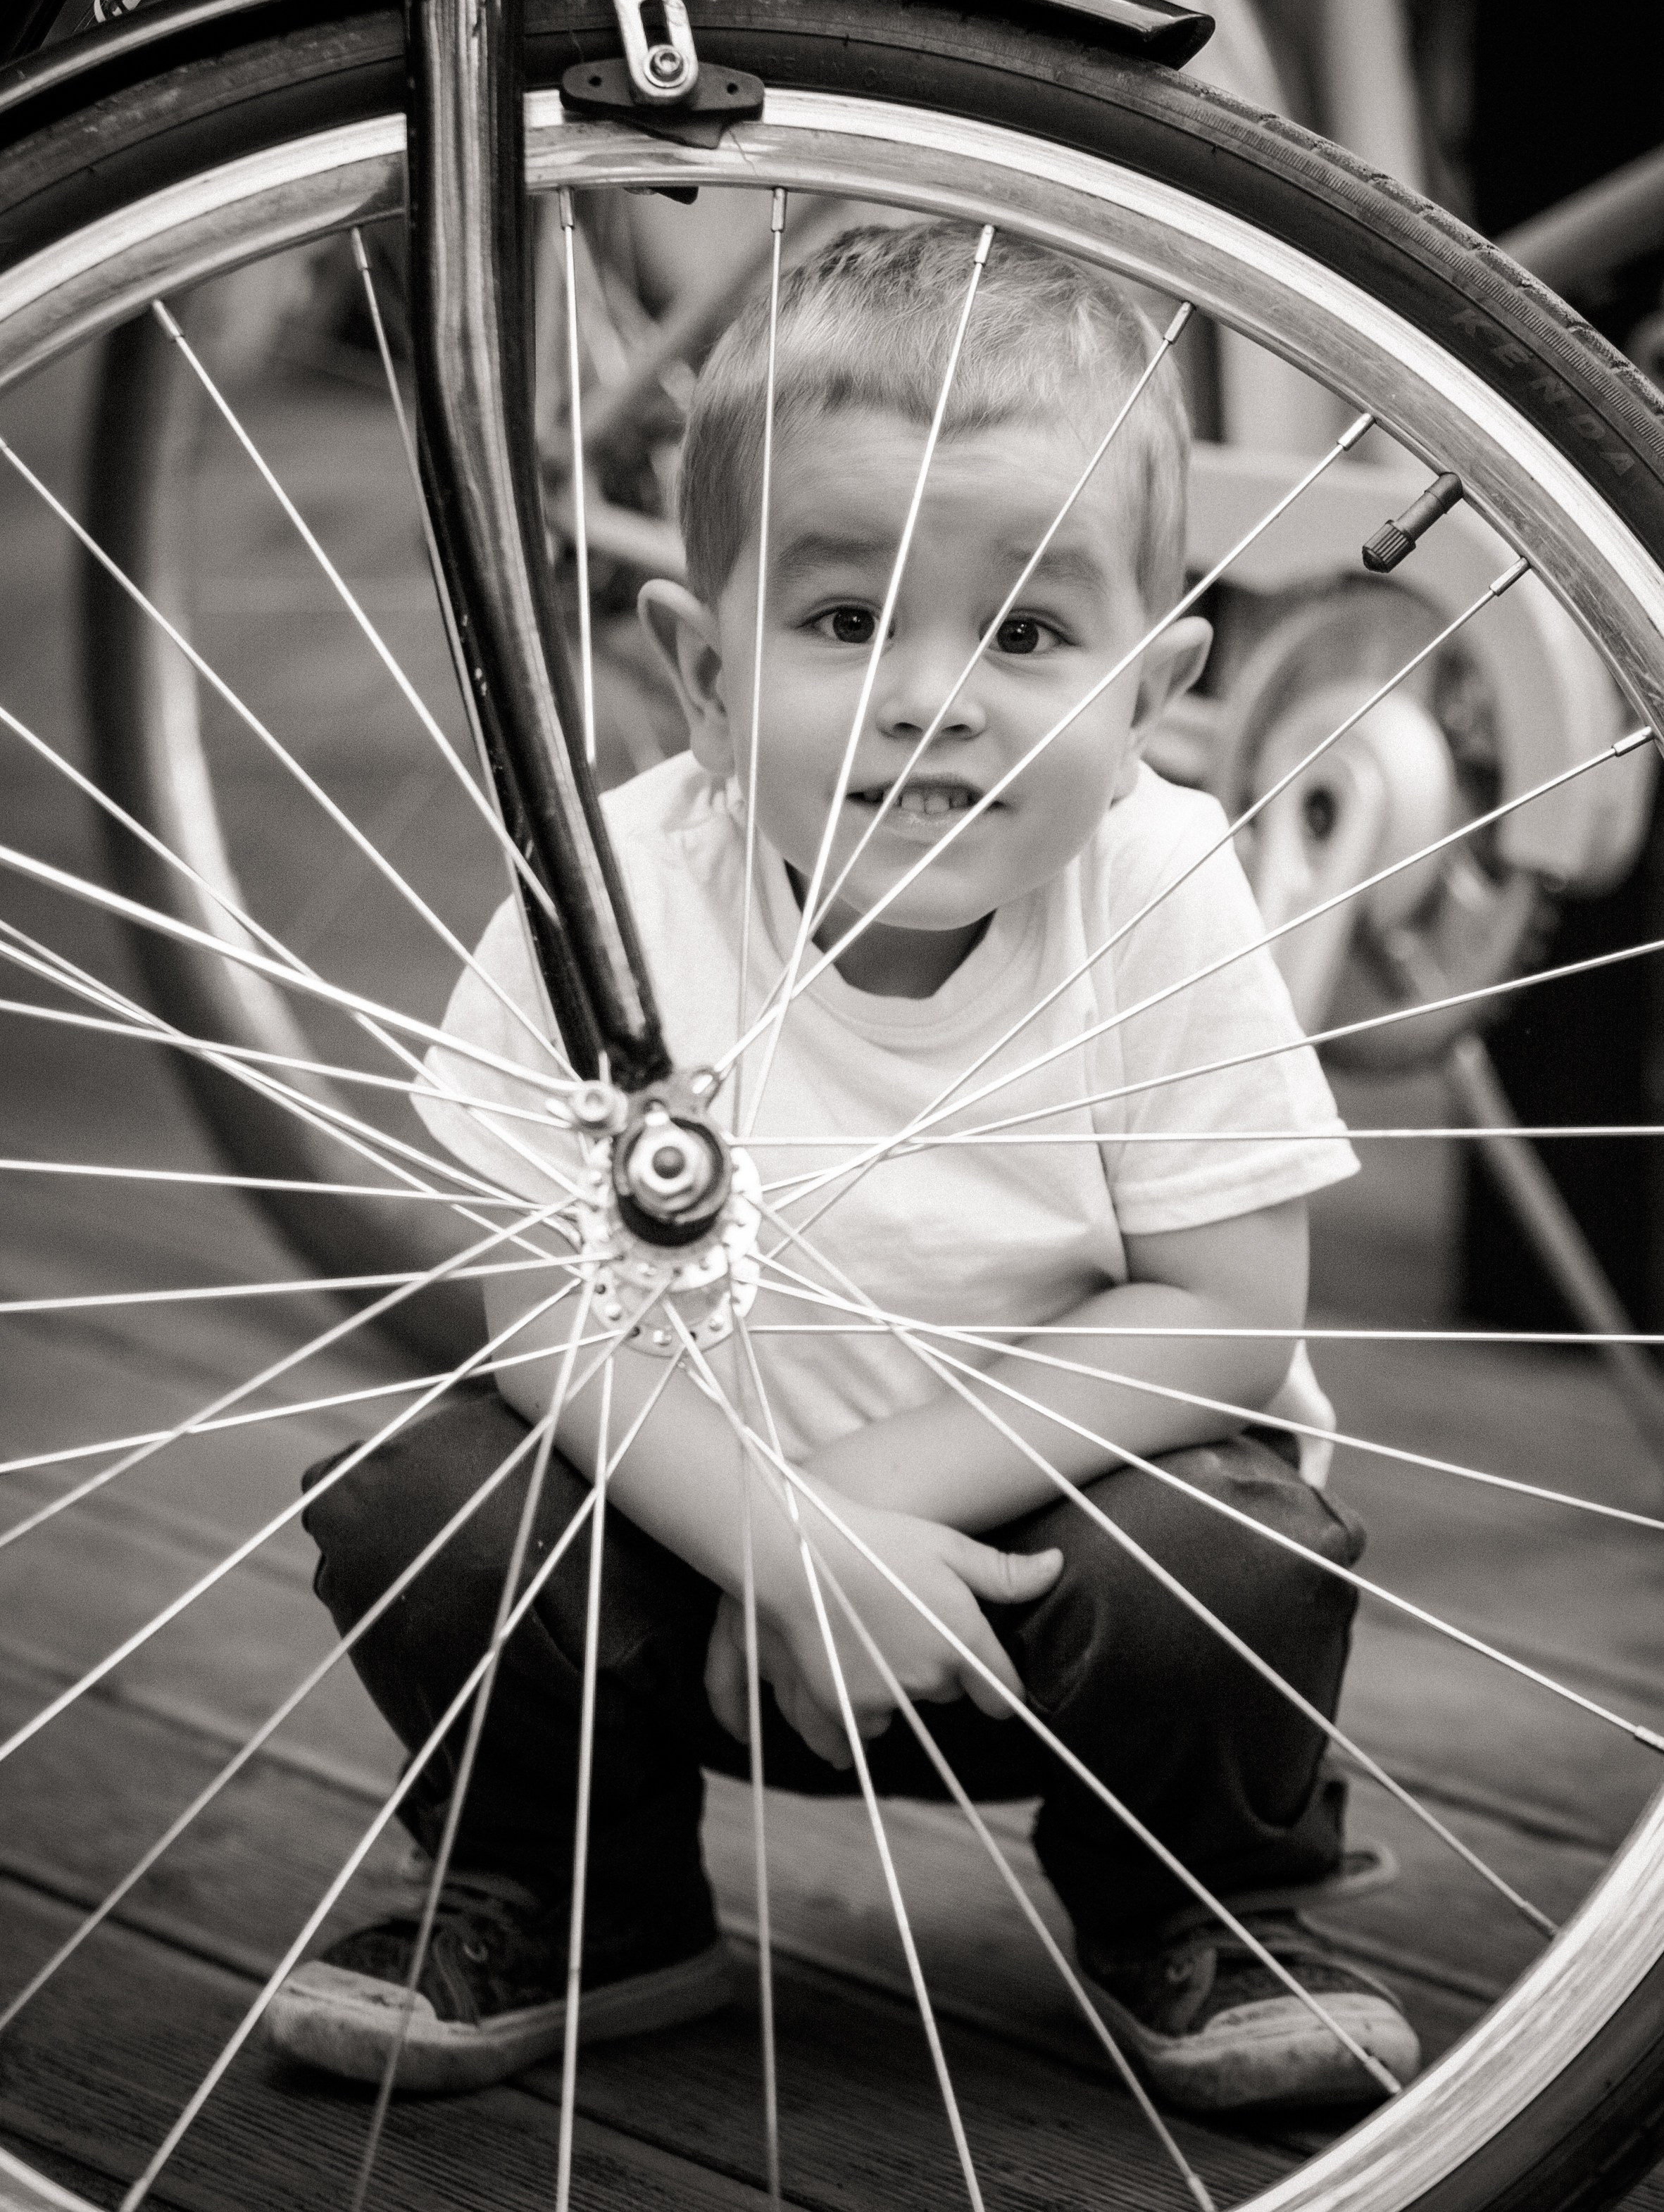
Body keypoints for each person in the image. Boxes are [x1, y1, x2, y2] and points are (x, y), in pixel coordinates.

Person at [268, 221, 1420, 2115]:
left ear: (1153, 691)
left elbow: (1227, 1307)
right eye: (843, 622)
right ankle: (580, 1898)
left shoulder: (1158, 885)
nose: (927, 697)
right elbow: (531, 1291)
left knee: (1228, 1552)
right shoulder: (617, 889)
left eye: (1032, 633)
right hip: (686, 1576)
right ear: (700, 673)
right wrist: (772, 1540)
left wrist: (863, 1512)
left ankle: (1199, 1901)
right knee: (421, 1489)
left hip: (1041, 1573)